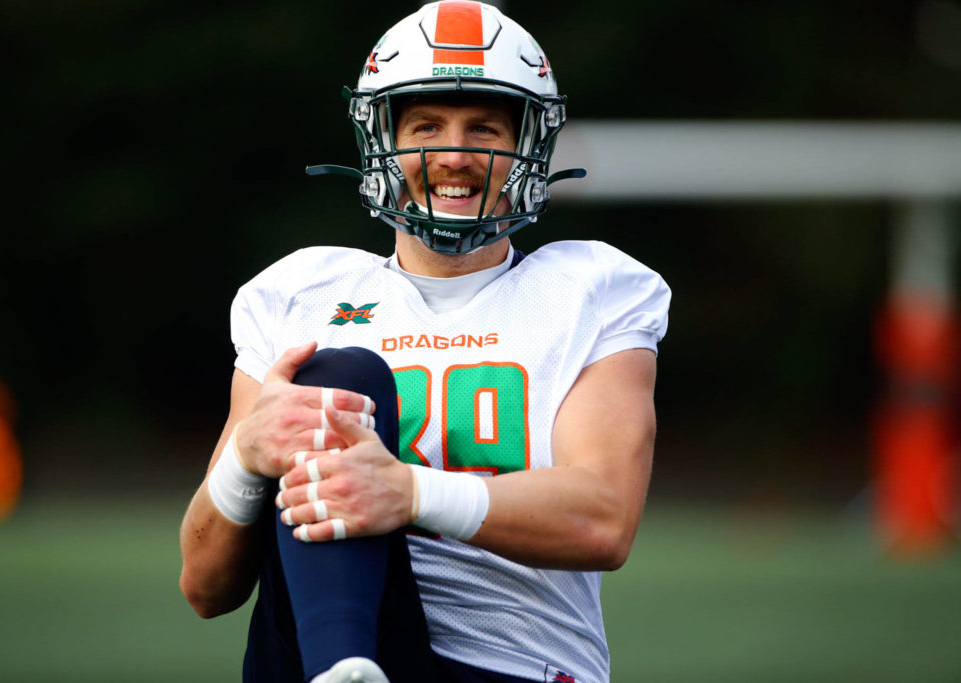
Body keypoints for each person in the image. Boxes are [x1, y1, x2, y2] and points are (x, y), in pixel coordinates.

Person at [179, 2, 670, 682]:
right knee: (333, 372)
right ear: (383, 137)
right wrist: (244, 459)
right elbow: (205, 584)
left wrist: (407, 492)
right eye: (427, 126)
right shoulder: (299, 294)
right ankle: (342, 665)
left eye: (485, 128)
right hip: (314, 649)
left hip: (507, 661)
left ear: (529, 145)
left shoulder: (592, 289)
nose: (456, 154)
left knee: (334, 374)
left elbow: (604, 519)